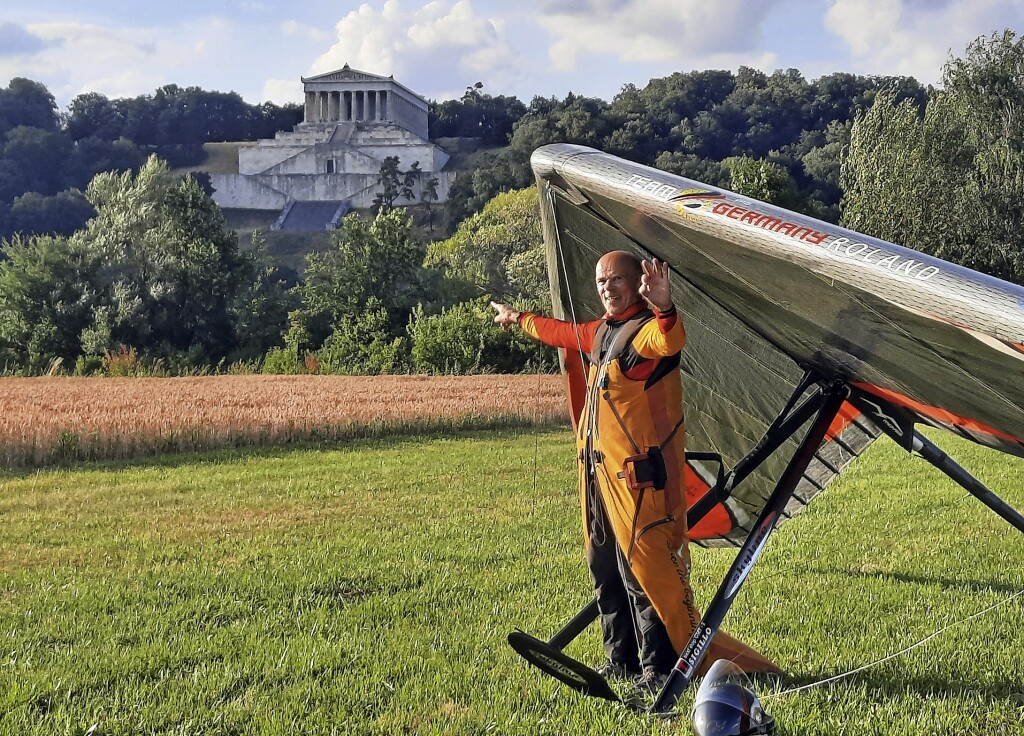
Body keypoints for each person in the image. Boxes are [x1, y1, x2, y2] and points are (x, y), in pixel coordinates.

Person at [491, 250, 779, 695]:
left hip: (641, 486)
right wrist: (516, 317)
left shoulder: (643, 335)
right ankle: (621, 662)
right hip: (599, 484)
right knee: (605, 571)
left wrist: (664, 307)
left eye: (616, 280)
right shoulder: (600, 333)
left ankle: (660, 671)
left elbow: (670, 340)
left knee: (645, 578)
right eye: (601, 281)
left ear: (635, 285)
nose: (607, 287)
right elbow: (560, 333)